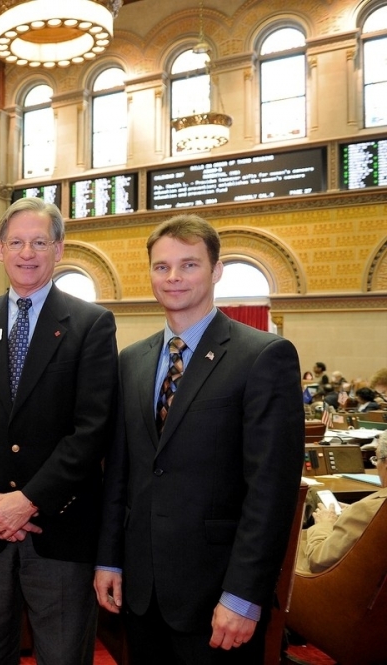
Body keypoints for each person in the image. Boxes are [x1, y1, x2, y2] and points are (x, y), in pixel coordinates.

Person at [95, 214, 303, 664]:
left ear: (216, 270)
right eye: (162, 266)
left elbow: (271, 491)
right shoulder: (131, 360)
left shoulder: (263, 356)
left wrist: (243, 595)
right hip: (141, 590)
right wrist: (109, 560)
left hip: (218, 596)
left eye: (189, 265)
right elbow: (120, 475)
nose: (173, 277)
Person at [0, 197, 118, 664]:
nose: (27, 252)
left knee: (63, 655)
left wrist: (28, 500)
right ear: (0, 250)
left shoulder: (91, 324)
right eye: (17, 242)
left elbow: (92, 429)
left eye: (39, 242)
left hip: (60, 529)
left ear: (58, 250)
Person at [296, 435, 387, 574]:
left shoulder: (367, 511)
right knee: (314, 493)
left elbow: (318, 560)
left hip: (319, 580)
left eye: (376, 459)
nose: (376, 465)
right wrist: (352, 512)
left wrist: (323, 524)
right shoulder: (369, 510)